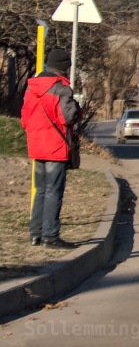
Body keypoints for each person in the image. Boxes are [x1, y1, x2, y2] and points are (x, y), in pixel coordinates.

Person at [21, 49, 80, 249]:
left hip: (36, 145)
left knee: (40, 190)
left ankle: (35, 234)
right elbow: (69, 117)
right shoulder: (61, 88)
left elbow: (25, 119)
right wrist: (78, 110)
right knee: (54, 191)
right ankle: (50, 236)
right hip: (55, 146)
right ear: (64, 68)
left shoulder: (31, 87)